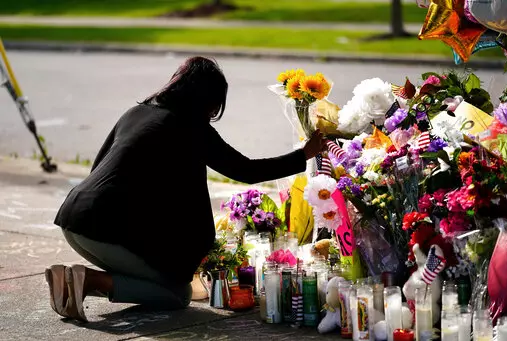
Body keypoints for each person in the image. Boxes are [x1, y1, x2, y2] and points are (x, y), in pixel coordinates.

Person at [46, 56, 327, 322]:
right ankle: (91, 280)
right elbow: (245, 170)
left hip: (73, 220)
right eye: (214, 106)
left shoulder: (135, 113)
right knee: (177, 293)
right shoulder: (191, 127)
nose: (213, 113)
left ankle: (71, 284)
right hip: (103, 231)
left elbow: (101, 170)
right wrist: (303, 154)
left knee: (155, 276)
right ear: (206, 100)